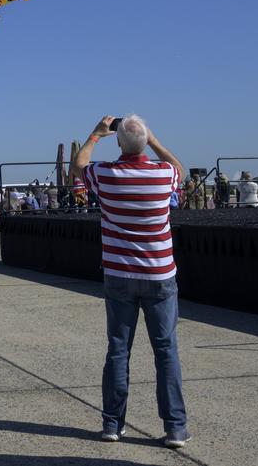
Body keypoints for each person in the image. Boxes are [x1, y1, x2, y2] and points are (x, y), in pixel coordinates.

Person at [72, 115, 190, 449]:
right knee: (166, 350)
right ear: (144, 142)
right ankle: (175, 428)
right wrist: (152, 140)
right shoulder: (163, 174)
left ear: (120, 144)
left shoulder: (106, 174)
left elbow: (79, 166)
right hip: (159, 274)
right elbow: (179, 167)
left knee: (118, 349)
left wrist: (96, 135)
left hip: (120, 274)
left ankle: (112, 423)